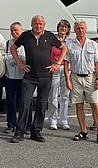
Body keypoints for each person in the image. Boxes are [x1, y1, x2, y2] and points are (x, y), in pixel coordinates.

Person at [10, 15, 66, 143]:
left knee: (41, 104)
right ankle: (19, 132)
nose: (38, 26)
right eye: (35, 23)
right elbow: (13, 48)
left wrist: (57, 63)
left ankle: (36, 131)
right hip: (30, 76)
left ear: (44, 25)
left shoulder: (49, 36)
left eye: (40, 24)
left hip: (46, 75)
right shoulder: (25, 36)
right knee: (25, 103)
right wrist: (19, 63)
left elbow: (64, 48)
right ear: (31, 24)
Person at [64, 20, 98, 145]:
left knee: (95, 105)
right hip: (75, 77)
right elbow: (66, 64)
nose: (81, 30)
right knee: (79, 105)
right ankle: (83, 131)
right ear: (74, 30)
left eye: (82, 28)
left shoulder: (93, 44)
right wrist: (67, 79)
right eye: (78, 28)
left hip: (90, 78)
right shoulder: (70, 44)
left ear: (86, 29)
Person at [48, 19, 72, 131]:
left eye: (65, 27)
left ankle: (64, 121)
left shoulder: (70, 41)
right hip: (54, 68)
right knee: (53, 95)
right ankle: (53, 121)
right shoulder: (53, 39)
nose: (63, 28)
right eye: (61, 26)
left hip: (66, 69)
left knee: (65, 96)